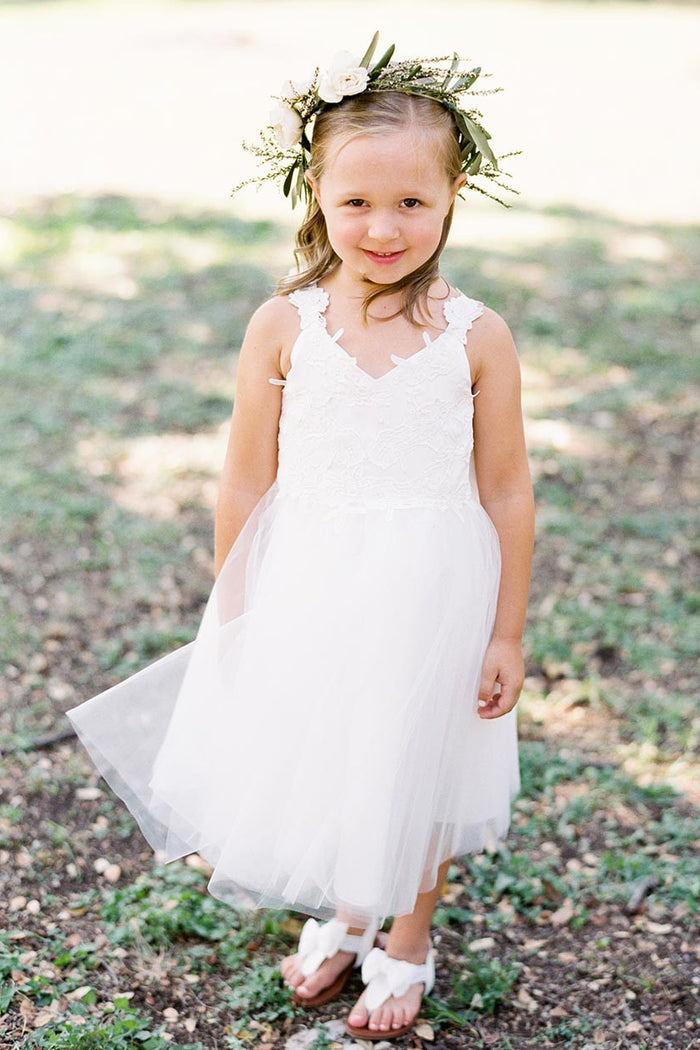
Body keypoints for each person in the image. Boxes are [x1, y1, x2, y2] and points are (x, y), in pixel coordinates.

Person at [67, 36, 534, 1042]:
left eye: (411, 201)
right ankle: (350, 907)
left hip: (432, 586)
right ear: (313, 191)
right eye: (355, 201)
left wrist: (504, 631)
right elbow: (245, 475)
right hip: (310, 576)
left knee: (417, 756)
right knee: (335, 746)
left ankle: (407, 938)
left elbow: (504, 489)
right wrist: (237, 605)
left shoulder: (475, 335)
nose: (381, 226)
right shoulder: (284, 325)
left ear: (455, 192)